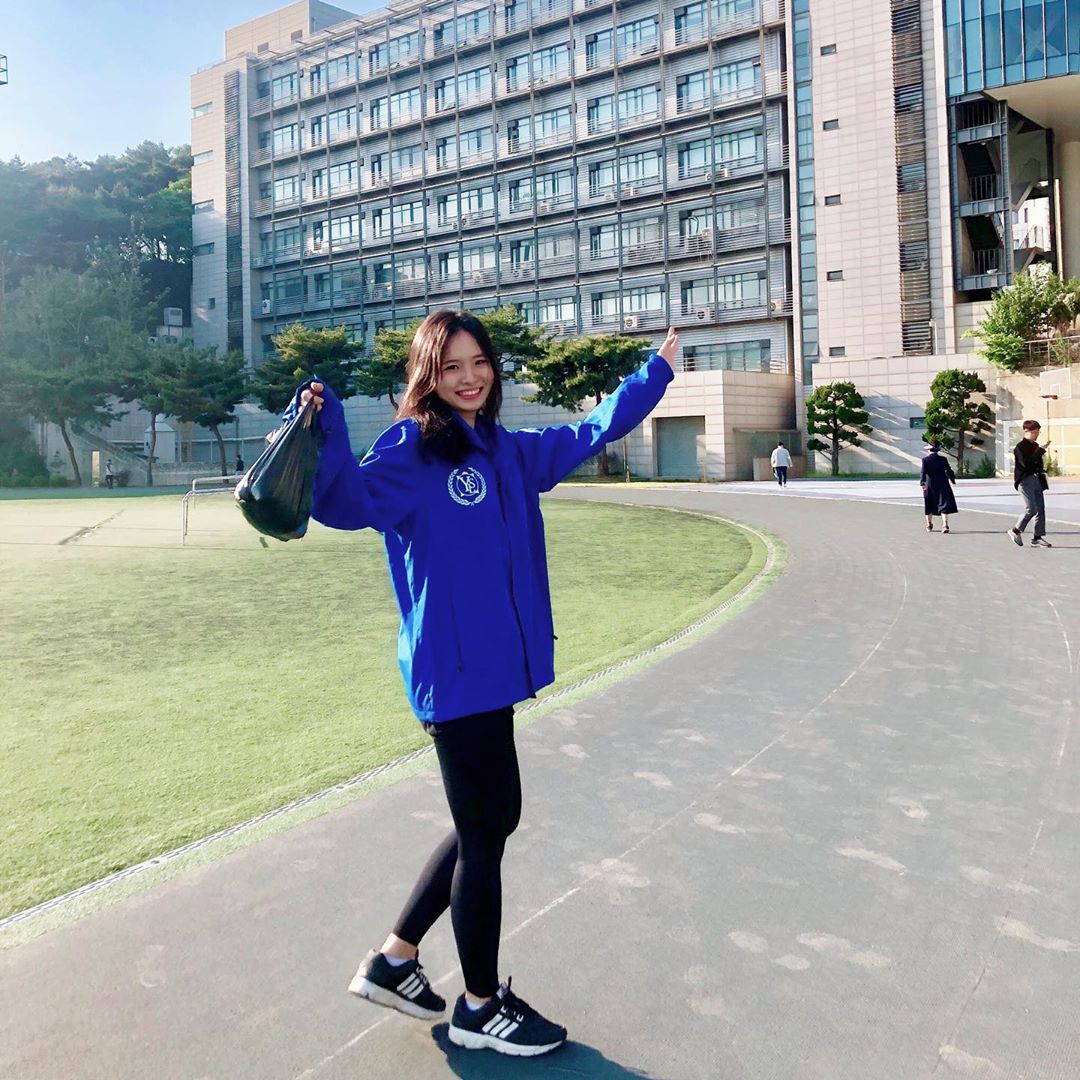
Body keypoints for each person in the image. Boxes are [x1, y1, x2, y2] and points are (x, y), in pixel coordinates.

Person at [289, 311, 677, 1057]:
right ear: (426, 375)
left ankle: (395, 960)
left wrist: (653, 374)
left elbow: (589, 431)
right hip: (454, 671)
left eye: (479, 362)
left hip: (491, 674)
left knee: (489, 823)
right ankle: (479, 1005)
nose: (469, 378)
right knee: (485, 833)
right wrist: (326, 427)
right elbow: (347, 503)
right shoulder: (412, 447)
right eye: (451, 366)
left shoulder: (506, 450)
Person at [1008, 419, 1053, 548]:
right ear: (1026, 431)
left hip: (1037, 480)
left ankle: (1037, 537)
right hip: (1025, 481)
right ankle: (1015, 530)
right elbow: (1026, 464)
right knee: (1031, 509)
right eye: (1034, 432)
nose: (1037, 434)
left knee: (1040, 510)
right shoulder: (1020, 447)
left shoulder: (1035, 446)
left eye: (1038, 432)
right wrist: (1040, 450)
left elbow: (1037, 464)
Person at [920, 442, 958, 532]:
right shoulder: (943, 459)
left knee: (929, 503)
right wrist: (952, 479)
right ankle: (945, 525)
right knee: (944, 503)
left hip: (930, 484)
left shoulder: (925, 460)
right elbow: (949, 470)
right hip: (943, 483)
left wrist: (922, 483)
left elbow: (923, 472)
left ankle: (929, 524)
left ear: (929, 450)